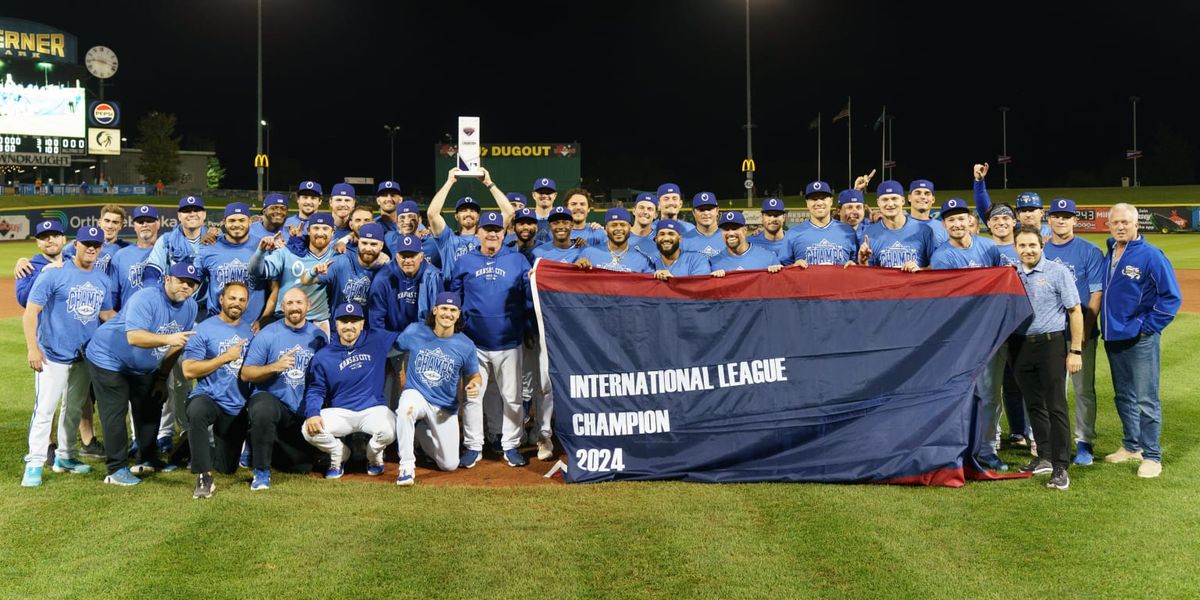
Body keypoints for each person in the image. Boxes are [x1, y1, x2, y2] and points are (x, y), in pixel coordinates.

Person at [84, 262, 200, 485]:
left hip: (143, 365)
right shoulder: (146, 298)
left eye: (192, 284)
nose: (186, 286)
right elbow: (134, 337)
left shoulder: (190, 306)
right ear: (168, 279)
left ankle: (147, 459)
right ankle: (116, 469)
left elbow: (178, 346)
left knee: (151, 405)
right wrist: (168, 339)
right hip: (108, 358)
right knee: (115, 412)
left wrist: (162, 378)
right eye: (181, 281)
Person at [20, 226, 117, 487]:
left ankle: (66, 456)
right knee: (45, 410)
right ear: (75, 245)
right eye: (86, 243)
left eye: (96, 245)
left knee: (73, 409)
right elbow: (31, 313)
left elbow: (107, 315)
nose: (91, 248)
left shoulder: (102, 280)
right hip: (52, 355)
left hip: (84, 357)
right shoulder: (54, 274)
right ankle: (35, 463)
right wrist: (33, 348)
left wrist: (131, 324)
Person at [1100, 203, 1182, 478]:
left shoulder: (1150, 255)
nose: (1120, 226)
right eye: (1115, 222)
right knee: (1124, 396)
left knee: (1146, 398)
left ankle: (1152, 456)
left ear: (1137, 224)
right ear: (1109, 225)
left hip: (1140, 339)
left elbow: (1171, 298)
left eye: (1125, 222)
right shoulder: (1110, 251)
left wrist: (1147, 327)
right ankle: (1131, 446)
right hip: (1113, 337)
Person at [929, 199, 1007, 471]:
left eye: (961, 218)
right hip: (960, 336)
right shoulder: (942, 256)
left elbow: (1002, 282)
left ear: (970, 220)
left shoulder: (988, 247)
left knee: (990, 394)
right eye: (950, 220)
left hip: (989, 332)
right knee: (958, 393)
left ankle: (987, 449)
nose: (956, 224)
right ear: (944, 225)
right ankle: (958, 446)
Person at [451, 211, 533, 468]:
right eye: (487, 229)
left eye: (497, 229)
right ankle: (473, 446)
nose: (492, 233)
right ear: (478, 232)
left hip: (509, 340)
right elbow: (455, 296)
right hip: (473, 342)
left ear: (504, 232)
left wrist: (528, 326)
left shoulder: (518, 260)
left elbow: (529, 297)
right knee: (474, 396)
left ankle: (511, 445)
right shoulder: (465, 261)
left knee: (512, 397)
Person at [1009, 227, 1083, 490]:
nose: (1028, 250)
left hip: (1051, 344)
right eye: (1022, 246)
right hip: (1019, 346)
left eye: (1032, 245)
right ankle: (1044, 457)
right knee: (1034, 405)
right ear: (1015, 248)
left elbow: (1075, 311)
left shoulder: (1057, 271)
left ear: (1042, 245)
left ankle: (1061, 465)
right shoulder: (1011, 274)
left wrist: (1075, 350)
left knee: (1056, 405)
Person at [240, 288, 329, 490]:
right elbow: (246, 373)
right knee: (263, 407)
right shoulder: (268, 334)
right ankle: (261, 473)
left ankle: (255, 444)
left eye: (299, 303)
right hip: (274, 404)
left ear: (308, 306)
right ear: (282, 307)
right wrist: (274, 367)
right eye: (289, 303)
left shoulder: (319, 336)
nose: (294, 308)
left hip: (301, 412)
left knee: (300, 467)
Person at [393, 293, 482, 485]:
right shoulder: (415, 331)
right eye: (443, 308)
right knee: (405, 410)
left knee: (449, 464)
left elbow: (474, 375)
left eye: (452, 310)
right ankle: (406, 467)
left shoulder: (466, 345)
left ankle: (421, 432)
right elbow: (393, 346)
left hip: (444, 406)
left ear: (458, 314)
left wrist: (475, 384)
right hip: (416, 393)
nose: (447, 314)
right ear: (435, 311)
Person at [1041, 199, 1105, 465]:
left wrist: (1081, 336)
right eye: (1056, 216)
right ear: (1050, 219)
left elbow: (1096, 294)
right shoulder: (1040, 249)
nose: (1061, 221)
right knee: (1052, 391)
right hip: (1049, 334)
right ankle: (1052, 441)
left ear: (1075, 220)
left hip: (1080, 333)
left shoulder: (1089, 251)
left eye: (1066, 216)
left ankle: (1084, 442)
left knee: (1082, 391)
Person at [302, 302, 397, 478]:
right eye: (344, 321)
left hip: (372, 409)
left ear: (362, 324)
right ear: (336, 324)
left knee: (391, 429)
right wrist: (313, 413)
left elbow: (408, 338)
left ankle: (373, 454)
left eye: (354, 321)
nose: (349, 326)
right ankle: (339, 452)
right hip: (341, 412)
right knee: (308, 430)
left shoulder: (377, 339)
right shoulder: (323, 356)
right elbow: (316, 389)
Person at [181, 282, 254, 498]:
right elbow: (188, 370)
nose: (236, 303)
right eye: (232, 298)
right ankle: (203, 477)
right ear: (221, 299)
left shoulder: (249, 330)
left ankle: (185, 449)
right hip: (209, 396)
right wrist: (224, 358)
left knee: (227, 467)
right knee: (197, 411)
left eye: (242, 300)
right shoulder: (204, 329)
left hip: (236, 405)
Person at [250, 212, 337, 334]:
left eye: (325, 229)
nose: (320, 233)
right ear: (308, 230)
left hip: (318, 321)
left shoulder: (336, 257)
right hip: (285, 318)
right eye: (316, 228)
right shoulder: (288, 251)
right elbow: (255, 271)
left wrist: (345, 240)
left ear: (333, 232)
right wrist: (260, 251)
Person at [426, 167, 516, 280]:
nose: (468, 213)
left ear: (478, 217)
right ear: (456, 216)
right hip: (453, 292)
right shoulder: (447, 239)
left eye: (472, 210)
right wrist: (450, 182)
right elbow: (432, 214)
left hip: (478, 289)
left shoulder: (487, 236)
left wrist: (488, 183)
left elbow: (509, 212)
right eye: (463, 210)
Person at [194, 203, 271, 327]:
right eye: (232, 220)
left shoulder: (263, 247)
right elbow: (194, 282)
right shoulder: (209, 247)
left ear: (250, 221)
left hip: (252, 326)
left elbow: (274, 288)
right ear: (224, 222)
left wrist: (263, 320)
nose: (236, 225)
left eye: (241, 220)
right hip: (216, 324)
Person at [303, 222, 390, 328]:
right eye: (364, 243)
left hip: (369, 331)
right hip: (338, 330)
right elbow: (305, 281)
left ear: (381, 245)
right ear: (358, 243)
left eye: (373, 244)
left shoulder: (386, 269)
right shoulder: (342, 261)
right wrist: (313, 272)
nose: (368, 248)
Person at [858, 181, 934, 271]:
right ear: (878, 202)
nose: (890, 204)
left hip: (915, 284)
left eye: (894, 199)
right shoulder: (869, 234)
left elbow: (937, 268)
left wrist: (920, 270)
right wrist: (863, 264)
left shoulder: (923, 230)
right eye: (885, 199)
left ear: (902, 201)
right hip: (885, 284)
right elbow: (869, 274)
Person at [786, 181, 858, 268]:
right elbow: (783, 270)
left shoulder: (848, 231)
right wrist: (792, 266)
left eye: (823, 198)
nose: (819, 203)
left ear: (831, 201)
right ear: (807, 203)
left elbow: (858, 264)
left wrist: (855, 266)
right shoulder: (793, 233)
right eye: (814, 199)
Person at [110, 205, 163, 310]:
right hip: (130, 320)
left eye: (149, 221)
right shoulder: (120, 256)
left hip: (161, 320)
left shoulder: (168, 252)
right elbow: (113, 297)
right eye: (140, 222)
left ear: (158, 224)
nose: (145, 224)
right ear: (134, 226)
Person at [575, 208, 653, 273]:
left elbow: (651, 286)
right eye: (613, 225)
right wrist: (577, 267)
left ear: (630, 228)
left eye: (623, 225)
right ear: (606, 228)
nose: (618, 229)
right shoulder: (588, 254)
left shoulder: (642, 259)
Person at [709, 211, 783, 276]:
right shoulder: (714, 263)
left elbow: (782, 287)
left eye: (735, 228)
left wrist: (776, 272)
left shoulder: (768, 258)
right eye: (726, 229)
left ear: (745, 230)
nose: (731, 233)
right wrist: (713, 280)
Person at [747, 196, 793, 261]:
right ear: (762, 217)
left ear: (784, 217)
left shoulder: (794, 241)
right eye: (768, 215)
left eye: (776, 215)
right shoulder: (749, 243)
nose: (772, 219)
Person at [681, 192, 724, 259]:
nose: (706, 213)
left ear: (717, 211)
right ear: (693, 212)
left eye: (709, 209)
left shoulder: (728, 237)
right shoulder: (684, 241)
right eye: (701, 209)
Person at [907, 179, 949, 246]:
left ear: (933, 199)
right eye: (918, 193)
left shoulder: (942, 228)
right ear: (909, 197)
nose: (923, 197)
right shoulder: (899, 225)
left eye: (927, 194)